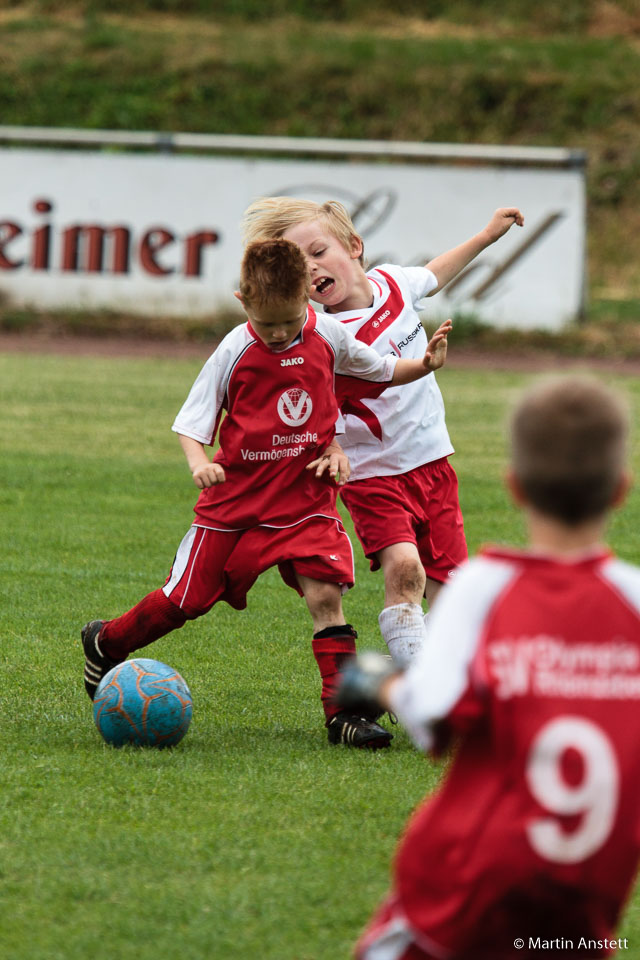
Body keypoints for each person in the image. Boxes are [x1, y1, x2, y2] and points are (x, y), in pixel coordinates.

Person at [81, 238, 453, 749]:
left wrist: (424, 366)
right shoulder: (234, 350)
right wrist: (200, 464)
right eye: (266, 323)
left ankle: (342, 716)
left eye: (289, 321)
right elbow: (191, 424)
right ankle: (106, 640)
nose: (279, 334)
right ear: (243, 302)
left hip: (304, 500)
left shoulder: (327, 333)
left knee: (326, 595)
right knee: (184, 602)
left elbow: (381, 371)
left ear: (307, 298)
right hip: (233, 509)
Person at [336, 374, 640, 958]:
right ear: (621, 489)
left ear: (515, 487)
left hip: (467, 887)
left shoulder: (487, 588)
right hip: (585, 903)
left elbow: (432, 719)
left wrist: (380, 681)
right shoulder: (633, 602)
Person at [242, 198, 525, 666]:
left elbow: (434, 274)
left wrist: (487, 236)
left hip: (433, 463)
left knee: (453, 598)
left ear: (354, 246)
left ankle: (431, 667)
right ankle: (416, 684)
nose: (311, 269)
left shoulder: (393, 282)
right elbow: (303, 403)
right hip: (374, 478)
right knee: (405, 569)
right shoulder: (318, 335)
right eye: (299, 266)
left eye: (318, 252)